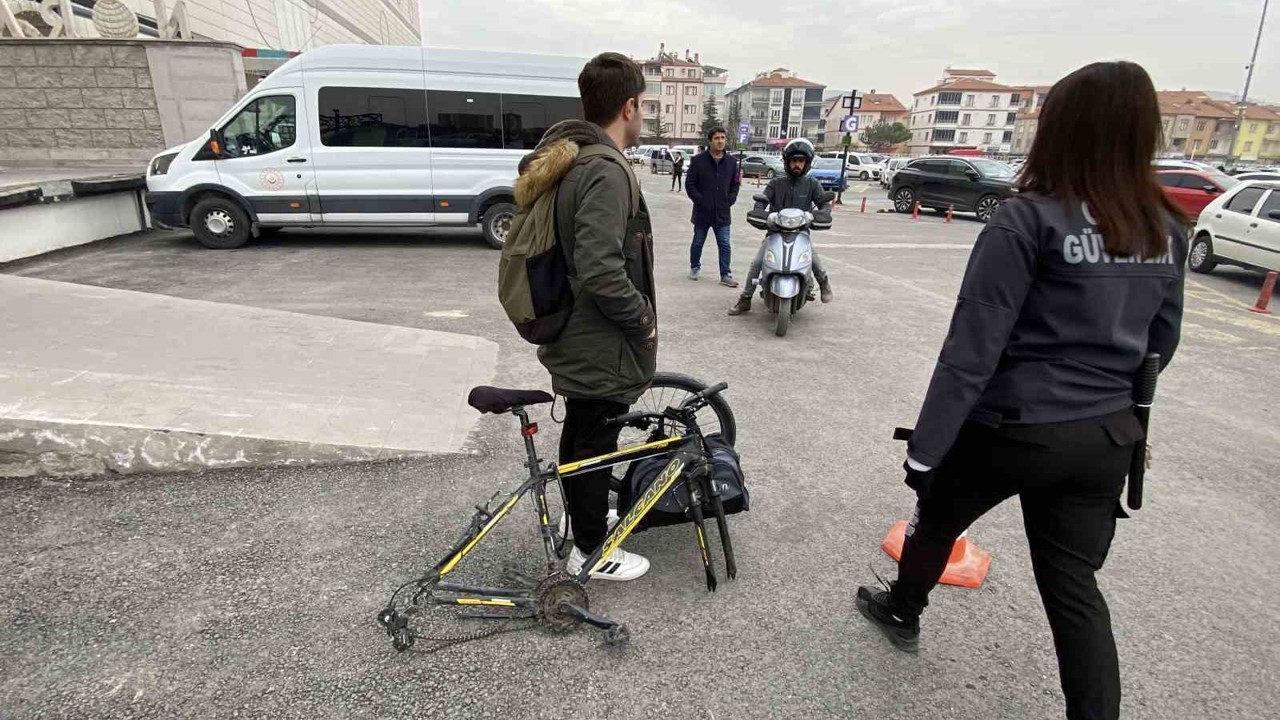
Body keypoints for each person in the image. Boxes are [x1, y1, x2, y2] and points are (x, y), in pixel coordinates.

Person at [854, 61, 1187, 720]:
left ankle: (904, 610)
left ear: (1061, 129)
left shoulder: (1027, 219)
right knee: (1073, 590)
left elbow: (971, 349)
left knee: (937, 518)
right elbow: (1161, 345)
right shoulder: (1164, 228)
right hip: (1106, 435)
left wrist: (926, 451)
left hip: (1013, 426)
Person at [515, 52, 656, 581]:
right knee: (596, 440)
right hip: (598, 336)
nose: (643, 116)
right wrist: (641, 318)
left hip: (577, 330)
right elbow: (601, 267)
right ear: (629, 105)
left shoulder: (577, 159)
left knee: (582, 432)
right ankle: (593, 550)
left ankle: (587, 522)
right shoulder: (605, 169)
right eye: (642, 107)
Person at [728, 138, 833, 315]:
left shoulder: (812, 184)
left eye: (801, 161)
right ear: (787, 162)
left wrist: (819, 214)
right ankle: (745, 298)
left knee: (814, 261)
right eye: (794, 161)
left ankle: (824, 283)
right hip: (774, 233)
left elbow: (824, 205)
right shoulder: (776, 183)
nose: (797, 165)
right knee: (757, 262)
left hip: (801, 234)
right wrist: (763, 214)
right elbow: (761, 202)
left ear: (806, 163)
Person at [685, 126, 741, 287]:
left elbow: (735, 184)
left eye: (723, 138)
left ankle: (725, 274)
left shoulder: (731, 162)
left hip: (723, 212)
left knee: (724, 244)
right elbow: (690, 184)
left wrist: (730, 199)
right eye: (717, 138)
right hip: (703, 211)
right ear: (710, 141)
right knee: (698, 241)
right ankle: (694, 266)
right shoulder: (698, 161)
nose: (720, 141)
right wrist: (700, 200)